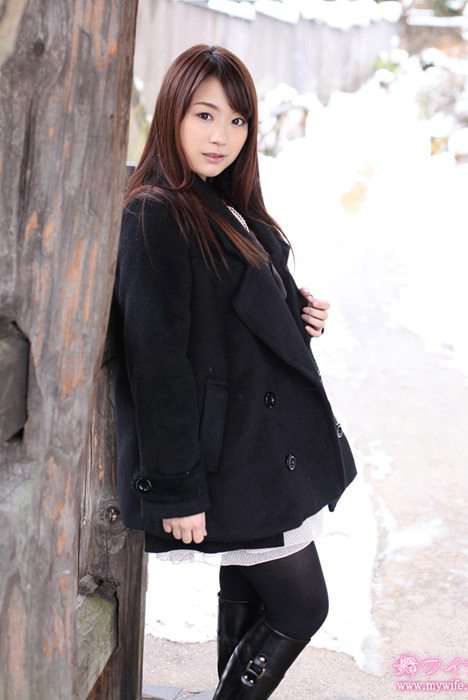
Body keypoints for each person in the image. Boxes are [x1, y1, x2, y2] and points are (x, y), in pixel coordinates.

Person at [113, 44, 357, 698]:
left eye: (237, 120)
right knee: (303, 606)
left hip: (256, 446)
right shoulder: (154, 212)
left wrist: (293, 311)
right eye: (204, 115)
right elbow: (155, 360)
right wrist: (176, 489)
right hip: (227, 458)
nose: (221, 136)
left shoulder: (221, 201)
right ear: (171, 113)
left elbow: (227, 308)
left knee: (253, 590)